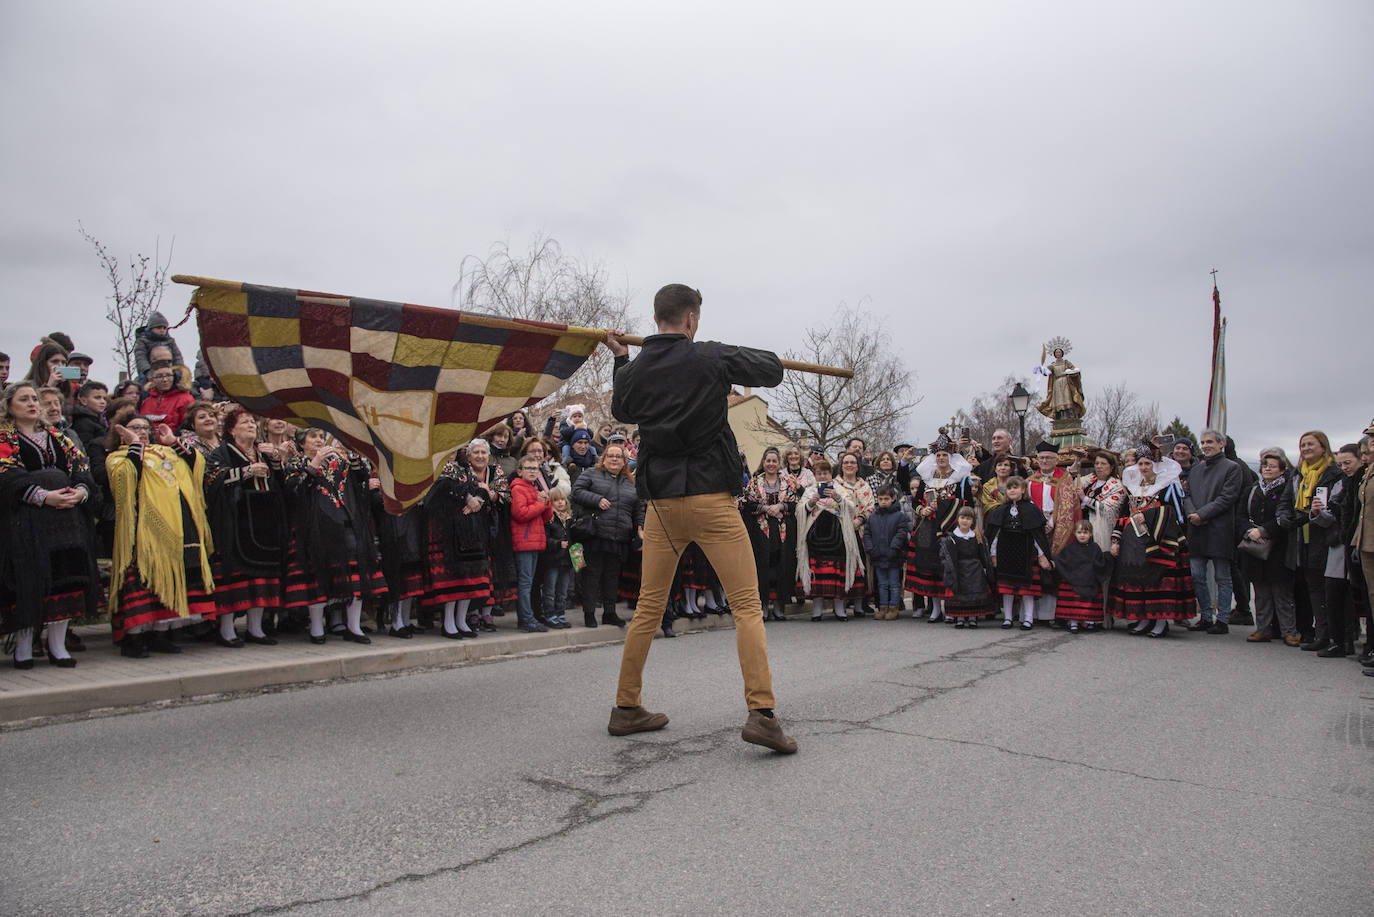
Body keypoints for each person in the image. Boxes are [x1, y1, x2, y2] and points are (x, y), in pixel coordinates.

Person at [604, 283, 796, 753]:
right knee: (747, 606)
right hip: (711, 499)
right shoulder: (709, 356)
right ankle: (762, 714)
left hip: (663, 506)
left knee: (649, 607)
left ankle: (626, 706)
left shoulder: (638, 368)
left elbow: (621, 407)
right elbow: (771, 369)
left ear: (657, 319)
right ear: (691, 319)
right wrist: (724, 354)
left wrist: (622, 359)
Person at [0, 382, 100, 668]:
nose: (32, 403)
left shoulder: (58, 437)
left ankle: (58, 646)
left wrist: (80, 491)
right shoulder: (5, 437)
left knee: (64, 579)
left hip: (66, 522)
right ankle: (22, 648)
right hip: (26, 522)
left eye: (35, 399)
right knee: (27, 581)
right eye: (24, 399)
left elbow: (80, 467)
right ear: (9, 406)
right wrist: (43, 496)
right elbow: (5, 474)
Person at [106, 417, 217, 657]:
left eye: (145, 429)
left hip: (178, 526)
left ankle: (161, 633)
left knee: (174, 578)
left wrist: (173, 442)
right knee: (142, 580)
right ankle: (134, 638)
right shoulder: (118, 456)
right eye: (135, 428)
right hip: (143, 529)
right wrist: (134, 445)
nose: (142, 432)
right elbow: (124, 478)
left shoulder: (166, 453)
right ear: (121, 432)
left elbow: (196, 465)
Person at [281, 437, 387, 644]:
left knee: (355, 573)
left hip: (345, 521)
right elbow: (294, 488)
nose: (319, 440)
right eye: (314, 437)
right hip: (313, 526)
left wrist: (353, 453)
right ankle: (317, 627)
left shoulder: (339, 461)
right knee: (316, 576)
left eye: (322, 436)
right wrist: (315, 462)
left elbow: (361, 478)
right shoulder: (297, 462)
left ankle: (354, 627)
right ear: (302, 443)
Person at [204, 409, 288, 647]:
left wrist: (276, 462)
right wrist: (245, 472)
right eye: (245, 422)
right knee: (235, 575)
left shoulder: (262, 451)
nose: (251, 425)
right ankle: (227, 629)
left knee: (262, 575)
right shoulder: (222, 452)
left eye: (253, 421)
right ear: (232, 429)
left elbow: (280, 484)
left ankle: (256, 628)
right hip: (235, 521)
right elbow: (211, 480)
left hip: (264, 521)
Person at [1108, 441, 1194, 638]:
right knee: (1140, 580)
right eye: (1141, 464)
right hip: (1134, 541)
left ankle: (1160, 621)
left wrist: (1148, 516)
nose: (1144, 468)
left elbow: (1175, 514)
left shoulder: (1166, 487)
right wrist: (1116, 539)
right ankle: (1144, 618)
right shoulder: (1132, 486)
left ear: (1155, 465)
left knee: (1158, 580)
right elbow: (1123, 514)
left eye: (1148, 464)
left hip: (1160, 539)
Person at [1278, 431, 1340, 650]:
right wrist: (1283, 517)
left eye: (1310, 444)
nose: (1305, 448)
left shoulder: (1333, 473)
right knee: (1312, 587)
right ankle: (1319, 634)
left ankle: (1336, 637)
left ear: (1323, 447)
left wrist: (1314, 516)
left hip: (1324, 537)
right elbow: (1285, 501)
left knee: (1328, 589)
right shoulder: (1298, 475)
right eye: (1302, 445)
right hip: (1301, 538)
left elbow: (1335, 506)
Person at [905, 433, 976, 623]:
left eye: (944, 455)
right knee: (931, 570)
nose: (941, 458)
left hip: (950, 528)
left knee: (949, 568)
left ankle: (952, 608)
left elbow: (967, 503)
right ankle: (936, 608)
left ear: (950, 457)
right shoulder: (927, 479)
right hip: (928, 529)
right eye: (938, 456)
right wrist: (923, 509)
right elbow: (915, 502)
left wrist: (944, 505)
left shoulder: (959, 479)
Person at [424, 446, 493, 638]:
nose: (451, 451)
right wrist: (467, 497)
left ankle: (461, 620)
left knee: (468, 578)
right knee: (452, 577)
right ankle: (448, 621)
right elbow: (440, 490)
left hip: (469, 531)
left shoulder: (465, 469)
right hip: (447, 531)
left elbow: (481, 489)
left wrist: (478, 499)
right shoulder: (435, 469)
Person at [571, 442, 640, 628]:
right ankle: (589, 613)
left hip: (619, 537)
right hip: (596, 534)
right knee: (592, 576)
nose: (614, 459)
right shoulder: (591, 474)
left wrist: (639, 528)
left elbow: (637, 508)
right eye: (611, 456)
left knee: (612, 577)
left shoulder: (630, 482)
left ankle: (610, 613)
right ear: (604, 458)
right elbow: (576, 491)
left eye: (619, 457)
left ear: (625, 461)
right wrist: (596, 499)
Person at [1183, 429, 1243, 634]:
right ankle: (1206, 616)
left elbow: (1227, 497)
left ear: (1221, 443)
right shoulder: (1196, 469)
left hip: (1219, 529)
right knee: (1197, 575)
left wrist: (1203, 514)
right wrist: (1193, 514)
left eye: (1209, 442)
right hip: (1196, 528)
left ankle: (1223, 619)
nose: (1206, 446)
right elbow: (1187, 495)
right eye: (1203, 442)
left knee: (1222, 577)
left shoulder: (1232, 468)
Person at [1241, 449, 1298, 645]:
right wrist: (1249, 531)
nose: (1267, 469)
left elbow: (1287, 516)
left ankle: (1289, 632)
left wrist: (1265, 531)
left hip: (1279, 546)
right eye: (1265, 465)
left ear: (1282, 470)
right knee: (1261, 592)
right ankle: (1262, 629)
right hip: (1255, 546)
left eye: (1272, 466)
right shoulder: (1253, 490)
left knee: (1282, 593)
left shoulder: (1287, 489)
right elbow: (1240, 516)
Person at [797, 457, 864, 621]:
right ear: (815, 474)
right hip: (815, 537)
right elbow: (799, 510)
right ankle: (817, 609)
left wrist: (838, 498)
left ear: (830, 474)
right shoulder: (810, 491)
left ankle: (839, 608)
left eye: (825, 473)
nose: (822, 476)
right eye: (819, 473)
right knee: (817, 573)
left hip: (837, 537)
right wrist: (810, 503)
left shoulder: (839, 489)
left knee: (837, 572)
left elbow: (850, 508)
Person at [741, 446, 802, 622]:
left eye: (774, 461)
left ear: (779, 463)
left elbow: (796, 502)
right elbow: (747, 503)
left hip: (784, 530)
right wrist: (766, 508)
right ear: (763, 462)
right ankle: (763, 605)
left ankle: (779, 606)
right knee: (763, 567)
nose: (771, 464)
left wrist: (781, 506)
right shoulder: (755, 481)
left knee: (782, 565)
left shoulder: (787, 481)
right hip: (761, 530)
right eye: (768, 461)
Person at [984, 476, 1052, 630]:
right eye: (1010, 488)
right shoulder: (1000, 510)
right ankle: (1007, 618)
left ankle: (1028, 618)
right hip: (1005, 553)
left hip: (1026, 552)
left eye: (1016, 487)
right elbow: (995, 535)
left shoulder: (1032, 509)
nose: (1012, 490)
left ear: (1023, 490)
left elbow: (1037, 536)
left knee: (1027, 589)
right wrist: (993, 555)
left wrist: (1042, 555)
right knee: (1007, 588)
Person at [1025, 439, 1081, 622]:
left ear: (1057, 460)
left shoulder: (1064, 478)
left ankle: (1056, 614)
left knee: (1055, 567)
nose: (1045, 461)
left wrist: (1053, 523)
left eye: (1049, 458)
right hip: (1036, 529)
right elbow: (1028, 504)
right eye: (1041, 458)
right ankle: (1033, 613)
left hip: (1058, 529)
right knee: (1036, 569)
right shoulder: (1030, 481)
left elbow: (1069, 506)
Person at [510, 455, 555, 633]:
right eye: (528, 468)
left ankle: (528, 618)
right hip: (525, 541)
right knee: (525, 583)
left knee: (529, 582)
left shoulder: (534, 487)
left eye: (535, 468)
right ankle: (526, 619)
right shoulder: (518, 488)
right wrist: (539, 503)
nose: (532, 471)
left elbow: (547, 517)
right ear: (520, 471)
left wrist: (546, 502)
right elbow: (520, 514)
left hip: (535, 540)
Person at [1052, 520, 1111, 633]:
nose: (1082, 535)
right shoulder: (1070, 548)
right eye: (1079, 532)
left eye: (1085, 532)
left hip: (1089, 580)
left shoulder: (1095, 548)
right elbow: (1062, 562)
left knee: (1091, 593)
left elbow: (1100, 564)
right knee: (1073, 596)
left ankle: (1088, 621)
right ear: (1074, 533)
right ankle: (1074, 622)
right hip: (1073, 580)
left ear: (1091, 533)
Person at [938, 506, 992, 627]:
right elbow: (946, 556)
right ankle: (960, 618)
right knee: (960, 594)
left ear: (973, 521)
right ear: (958, 519)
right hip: (959, 569)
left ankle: (973, 618)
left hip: (975, 569)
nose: (965, 521)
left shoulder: (978, 538)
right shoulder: (952, 538)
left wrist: (985, 569)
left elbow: (982, 555)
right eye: (962, 517)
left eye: (968, 518)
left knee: (973, 593)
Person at [863, 485, 909, 620]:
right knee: (882, 584)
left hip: (893, 556)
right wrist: (871, 549)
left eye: (886, 499)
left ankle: (893, 607)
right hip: (877, 555)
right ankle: (882, 607)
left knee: (894, 584)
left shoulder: (899, 516)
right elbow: (867, 534)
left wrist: (893, 548)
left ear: (893, 499)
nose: (883, 501)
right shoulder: (873, 517)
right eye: (881, 499)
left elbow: (901, 534)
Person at [133, 310, 185, 383]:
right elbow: (140, 357)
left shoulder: (170, 341)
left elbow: (177, 356)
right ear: (151, 328)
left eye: (164, 328)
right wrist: (147, 371)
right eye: (159, 328)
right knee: (143, 384)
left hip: (169, 370)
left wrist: (179, 369)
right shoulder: (143, 341)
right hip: (150, 370)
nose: (162, 330)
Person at [139, 364, 194, 432]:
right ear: (152, 380)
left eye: (168, 375)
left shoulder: (185, 400)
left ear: (175, 377)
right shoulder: (147, 401)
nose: (165, 380)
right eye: (159, 376)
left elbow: (188, 426)